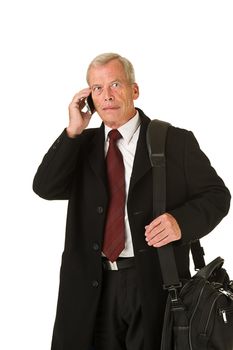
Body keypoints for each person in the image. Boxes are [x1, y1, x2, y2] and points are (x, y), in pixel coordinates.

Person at [33, 52, 231, 350]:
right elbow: (45, 187)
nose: (107, 95)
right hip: (90, 288)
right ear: (89, 98)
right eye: (97, 88)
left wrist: (181, 223)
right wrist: (73, 130)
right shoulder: (80, 146)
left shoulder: (174, 141)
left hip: (154, 285)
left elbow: (218, 196)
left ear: (134, 90)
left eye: (115, 84)